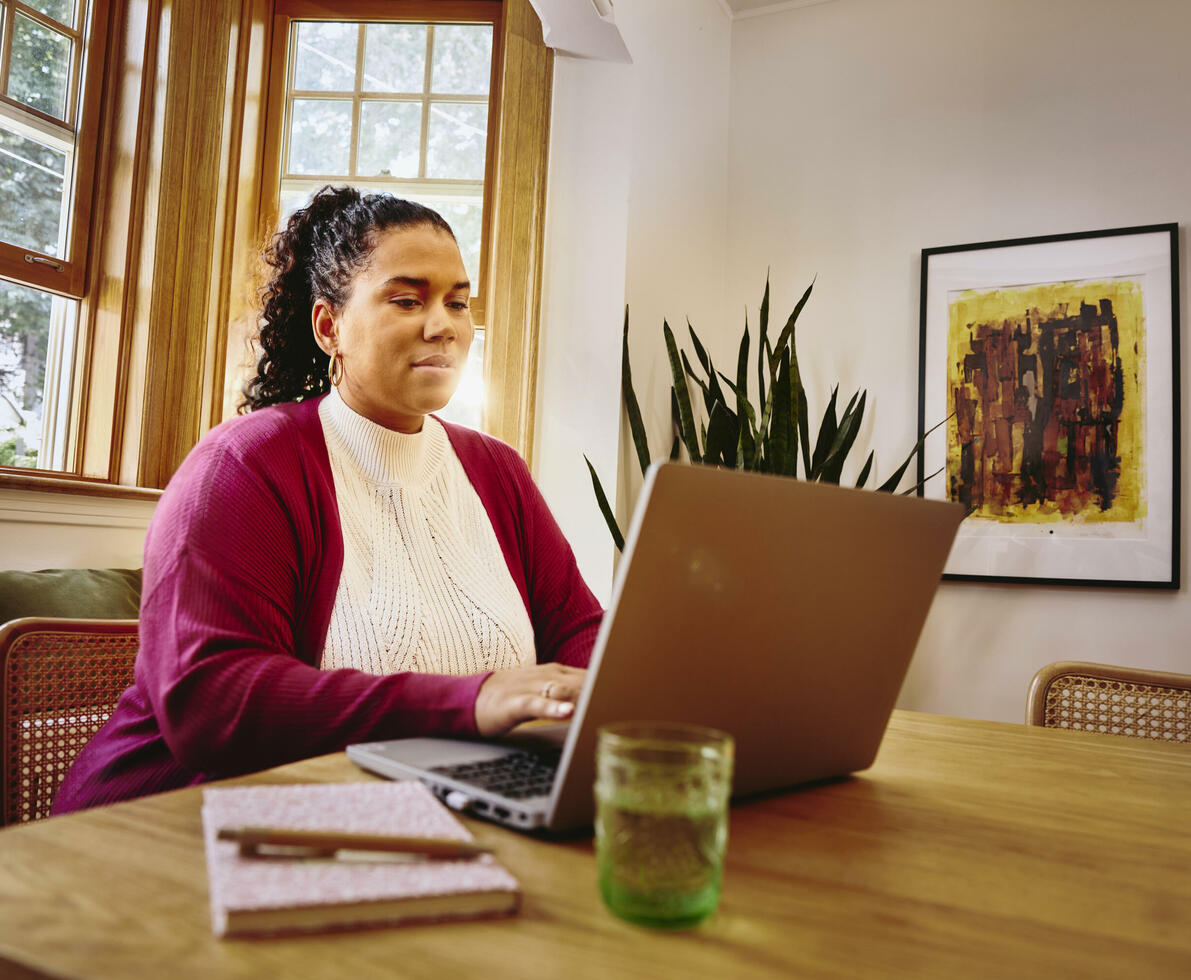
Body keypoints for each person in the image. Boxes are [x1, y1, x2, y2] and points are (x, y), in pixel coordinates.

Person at [53, 187, 603, 813]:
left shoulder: (497, 471)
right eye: (407, 299)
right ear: (329, 326)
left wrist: (620, 694)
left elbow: (579, 629)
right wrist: (472, 702)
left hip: (420, 810)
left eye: (458, 302)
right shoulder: (245, 465)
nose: (442, 325)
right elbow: (211, 699)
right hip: (166, 828)